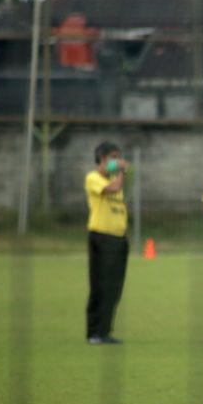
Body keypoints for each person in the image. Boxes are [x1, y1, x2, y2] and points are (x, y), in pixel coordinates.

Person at [84, 141, 130, 345]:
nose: (117, 162)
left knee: (114, 288)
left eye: (118, 157)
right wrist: (121, 172)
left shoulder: (115, 180)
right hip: (102, 238)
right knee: (100, 286)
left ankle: (104, 330)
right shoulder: (93, 178)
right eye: (113, 157)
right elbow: (112, 189)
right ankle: (95, 332)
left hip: (118, 239)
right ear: (101, 159)